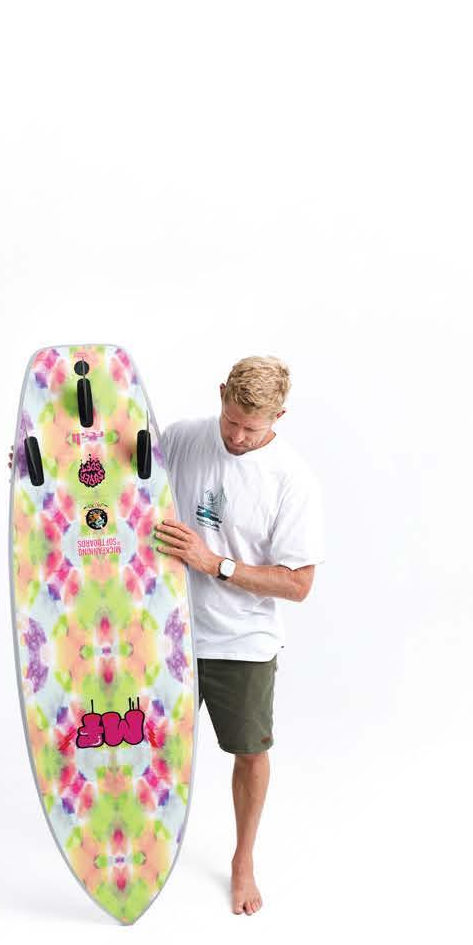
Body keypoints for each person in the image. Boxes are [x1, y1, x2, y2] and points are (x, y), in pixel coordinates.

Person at [151, 356, 324, 916]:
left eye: (252, 427)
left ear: (279, 417)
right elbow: (115, 475)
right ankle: (144, 849)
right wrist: (46, 466)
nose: (238, 436)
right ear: (222, 392)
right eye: (231, 420)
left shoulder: (292, 479)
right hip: (165, 632)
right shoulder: (182, 438)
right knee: (146, 748)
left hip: (241, 641)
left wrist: (214, 564)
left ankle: (243, 860)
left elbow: (298, 583)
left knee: (249, 754)